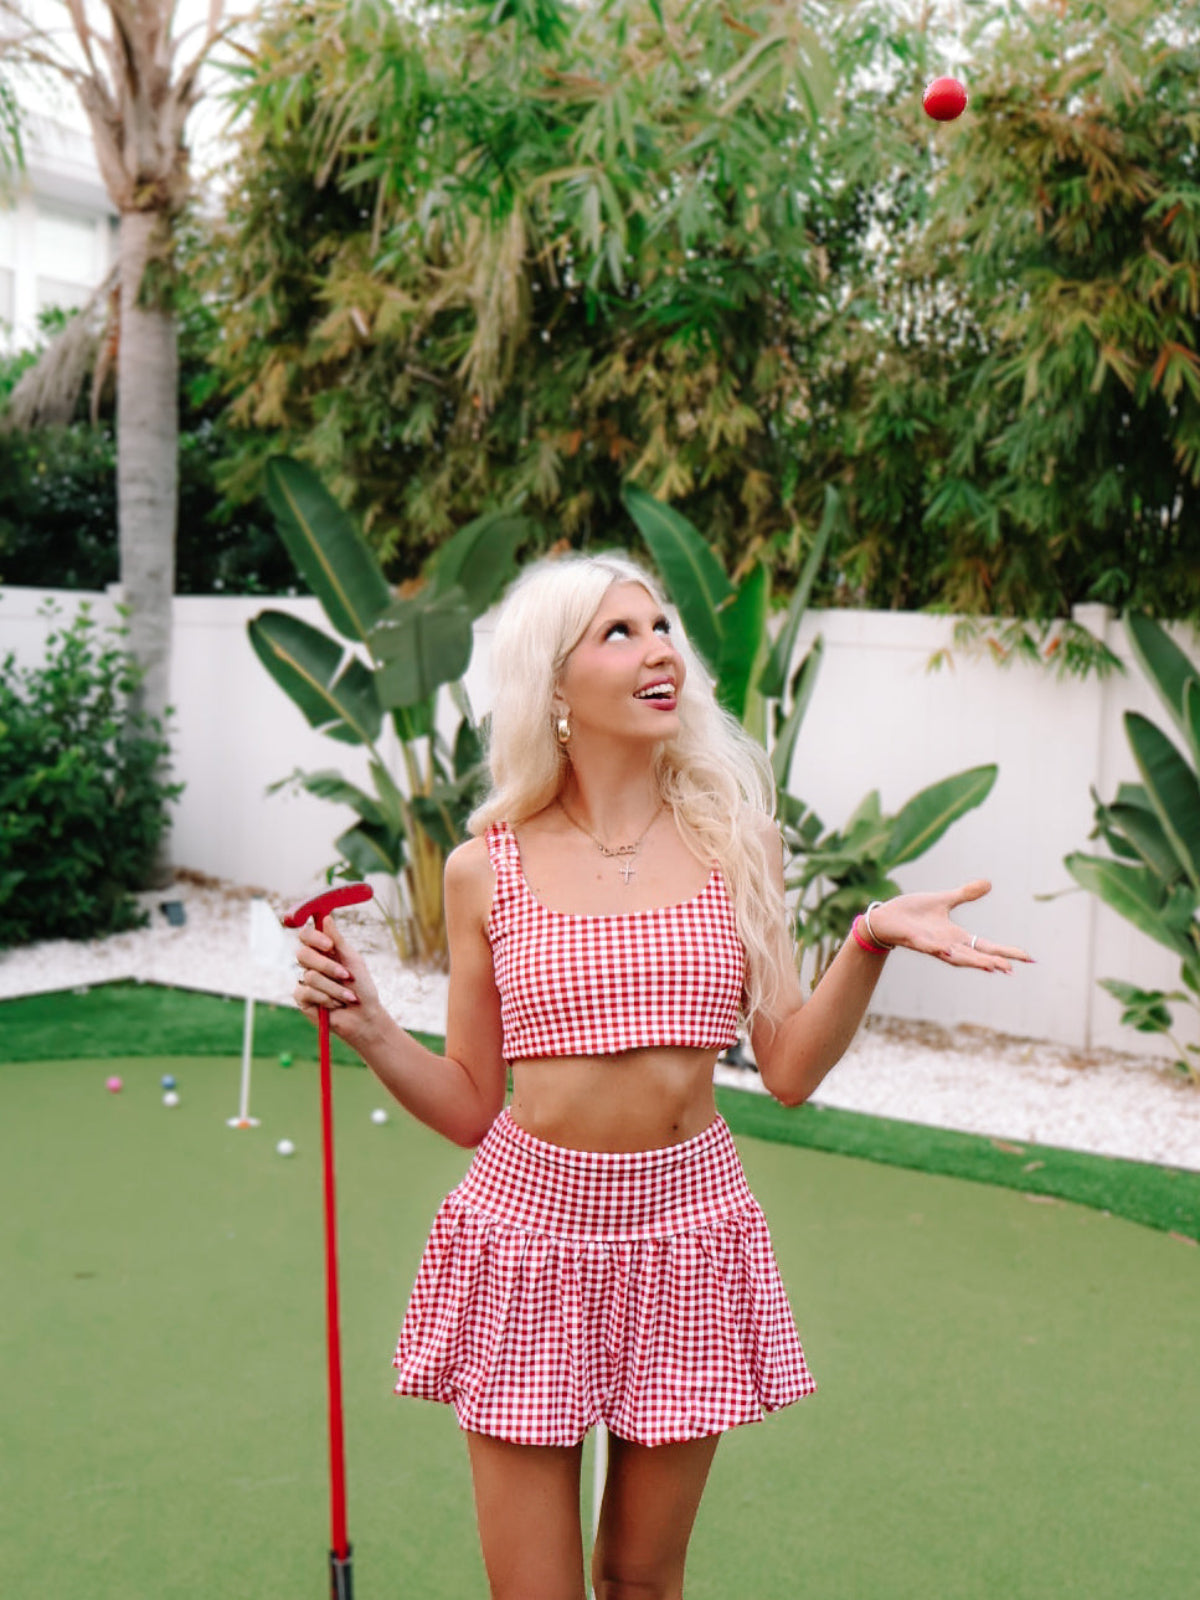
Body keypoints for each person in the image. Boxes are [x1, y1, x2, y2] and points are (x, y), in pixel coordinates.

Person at [293, 551, 1032, 1600]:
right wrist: (369, 1025)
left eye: (661, 628)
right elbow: (469, 1104)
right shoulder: (484, 868)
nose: (659, 652)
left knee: (642, 1580)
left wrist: (868, 938)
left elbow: (788, 1068)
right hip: (530, 1237)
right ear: (555, 684)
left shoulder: (738, 845)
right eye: (620, 633)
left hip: (689, 1229)